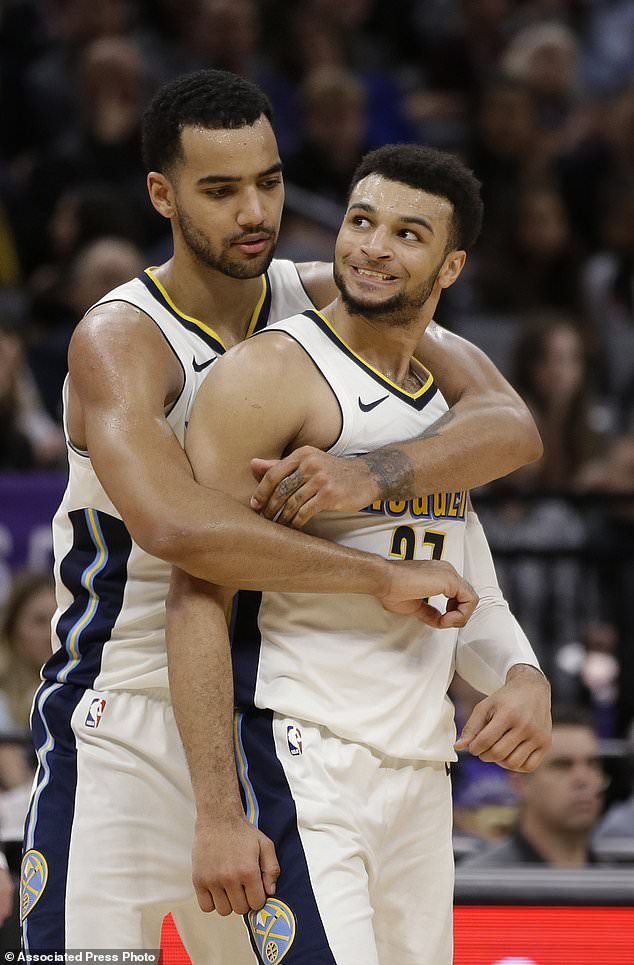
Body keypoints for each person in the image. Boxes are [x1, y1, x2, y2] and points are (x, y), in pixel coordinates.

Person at [21, 69, 541, 956]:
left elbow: (508, 423)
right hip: (126, 708)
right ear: (163, 195)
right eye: (220, 191)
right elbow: (181, 533)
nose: (254, 210)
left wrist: (372, 473)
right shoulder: (122, 339)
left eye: (269, 181)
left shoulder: (321, 291)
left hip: (254, 718)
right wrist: (381, 574)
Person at [167, 143, 551, 965]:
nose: (373, 246)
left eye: (407, 234)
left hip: (419, 761)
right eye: (361, 220)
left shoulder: (449, 400)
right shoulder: (267, 376)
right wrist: (216, 811)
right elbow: (198, 589)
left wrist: (522, 674)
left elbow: (461, 571)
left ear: (450, 267)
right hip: (299, 750)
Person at [463, 706, 606, 868]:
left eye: (592, 764)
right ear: (520, 783)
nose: (583, 779)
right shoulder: (481, 882)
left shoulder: (617, 884)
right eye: (562, 765)